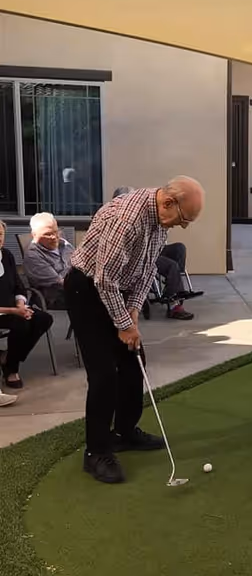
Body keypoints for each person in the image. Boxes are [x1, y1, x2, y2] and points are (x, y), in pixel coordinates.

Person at [65, 178, 205, 484]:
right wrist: (123, 324)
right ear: (169, 203)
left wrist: (132, 315)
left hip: (118, 290)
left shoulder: (160, 219)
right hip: (86, 290)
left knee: (132, 363)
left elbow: (145, 272)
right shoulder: (126, 219)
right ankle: (96, 452)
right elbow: (104, 281)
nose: (182, 227)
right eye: (184, 219)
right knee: (104, 374)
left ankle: (124, 433)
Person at [113, 187, 202, 320]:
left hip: (153, 250)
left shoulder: (146, 214)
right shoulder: (122, 219)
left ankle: (173, 287)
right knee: (171, 265)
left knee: (179, 248)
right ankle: (174, 305)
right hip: (140, 256)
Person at [0, 219, 54, 390]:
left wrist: (20, 305)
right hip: (3, 312)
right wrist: (15, 311)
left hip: (13, 309)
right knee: (22, 323)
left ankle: (8, 358)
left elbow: (18, 285)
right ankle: (11, 370)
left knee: (43, 319)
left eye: (0, 234)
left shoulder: (6, 255)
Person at [22, 212, 75, 309]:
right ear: (34, 235)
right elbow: (59, 283)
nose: (54, 237)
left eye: (55, 231)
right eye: (47, 234)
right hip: (54, 296)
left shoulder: (64, 244)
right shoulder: (33, 255)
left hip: (74, 287)